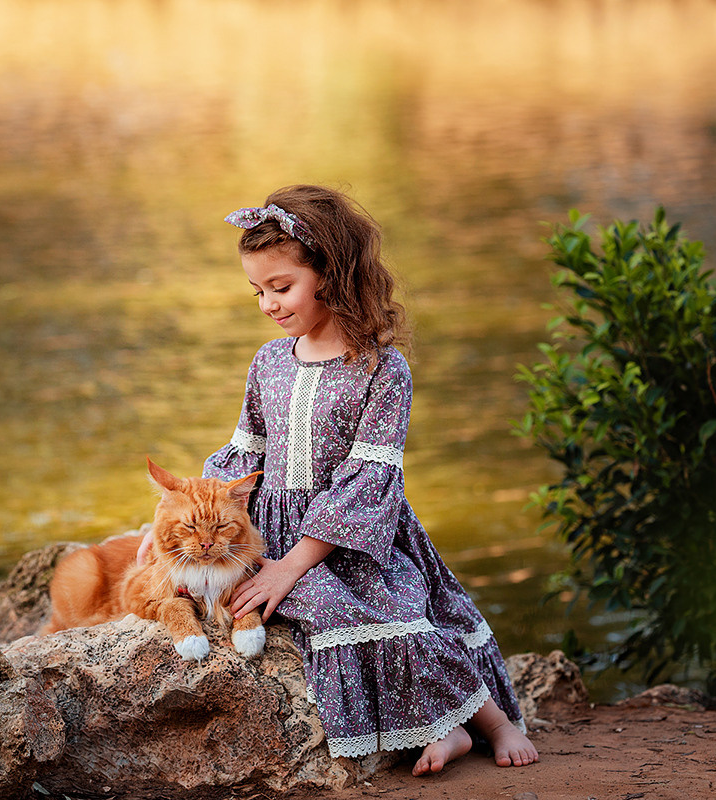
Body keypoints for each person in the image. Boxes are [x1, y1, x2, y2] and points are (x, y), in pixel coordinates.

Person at [201, 185, 537, 776]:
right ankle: (447, 727)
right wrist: (181, 523)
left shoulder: (382, 369)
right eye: (258, 291)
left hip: (356, 540)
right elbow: (242, 455)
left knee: (387, 614)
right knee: (283, 602)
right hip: (275, 534)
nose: (268, 305)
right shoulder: (268, 362)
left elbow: (367, 479)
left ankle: (490, 722)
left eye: (282, 287)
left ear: (330, 274)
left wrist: (289, 566)